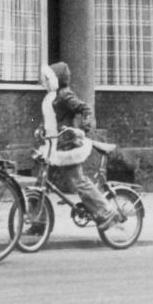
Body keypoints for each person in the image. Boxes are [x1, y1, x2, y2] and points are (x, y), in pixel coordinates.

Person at [33, 62, 118, 232]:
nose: (45, 82)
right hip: (53, 145)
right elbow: (51, 117)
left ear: (57, 80)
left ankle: (106, 210)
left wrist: (84, 128)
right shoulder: (51, 96)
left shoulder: (64, 95)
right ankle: (38, 223)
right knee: (40, 184)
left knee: (79, 182)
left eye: (48, 79)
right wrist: (40, 129)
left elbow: (84, 108)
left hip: (67, 145)